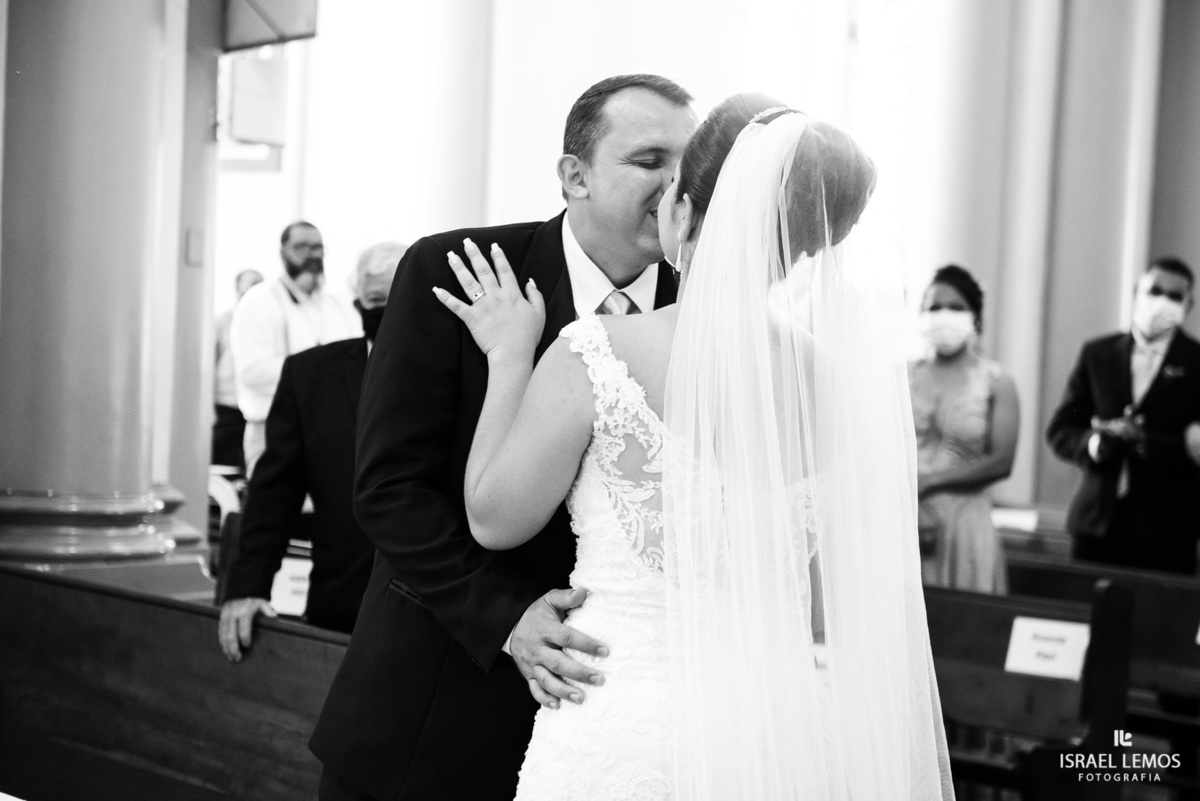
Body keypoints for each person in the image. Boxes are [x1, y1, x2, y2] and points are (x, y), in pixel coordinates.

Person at [434, 98, 953, 799]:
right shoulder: (830, 385)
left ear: (684, 208)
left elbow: (495, 517)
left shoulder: (600, 352)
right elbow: (834, 597)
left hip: (627, 729)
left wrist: (507, 357)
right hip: (778, 735)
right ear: (806, 242)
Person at [310, 74, 696, 801]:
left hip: (612, 724)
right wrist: (507, 617)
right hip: (435, 709)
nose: (676, 184)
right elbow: (389, 488)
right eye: (650, 160)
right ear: (573, 175)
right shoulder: (456, 270)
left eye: (688, 166)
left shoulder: (700, 315)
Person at [217, 242, 406, 661]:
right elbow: (275, 493)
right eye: (376, 300)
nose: (387, 310)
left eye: (398, 297)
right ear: (358, 302)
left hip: (437, 613)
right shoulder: (310, 376)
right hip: (341, 603)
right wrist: (248, 587)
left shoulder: (466, 371)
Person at [1047, 256, 1200, 574]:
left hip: (1167, 533)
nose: (1161, 301)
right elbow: (1062, 429)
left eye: (1174, 296)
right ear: (1136, 293)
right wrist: (1095, 443)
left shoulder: (1197, 363)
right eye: (1154, 290)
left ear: (1188, 306)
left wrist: (1145, 441)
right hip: (1096, 524)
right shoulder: (1098, 354)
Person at [910, 265, 1019, 593]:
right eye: (934, 307)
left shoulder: (998, 383)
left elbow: (1002, 461)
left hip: (965, 523)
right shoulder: (901, 376)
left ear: (976, 318)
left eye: (956, 307)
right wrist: (913, 501)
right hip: (904, 516)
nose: (943, 316)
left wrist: (929, 483)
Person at [230, 221, 361, 476]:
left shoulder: (336, 304)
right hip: (272, 430)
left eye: (318, 247)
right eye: (302, 247)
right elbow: (253, 372)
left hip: (327, 431)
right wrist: (321, 370)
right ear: (283, 252)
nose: (312, 255)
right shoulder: (259, 301)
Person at [212, 268, 263, 470]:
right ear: (237, 290)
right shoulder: (222, 320)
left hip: (254, 409)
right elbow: (208, 365)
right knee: (227, 468)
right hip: (227, 408)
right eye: (250, 287)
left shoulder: (263, 323)